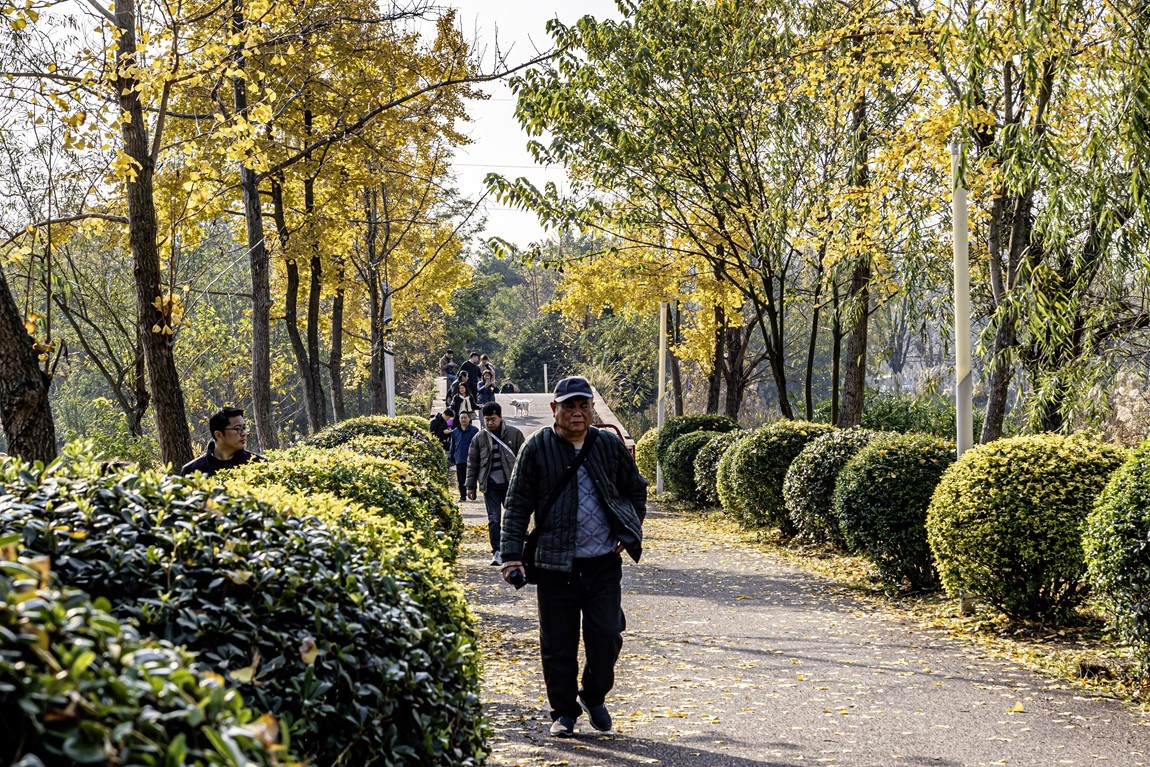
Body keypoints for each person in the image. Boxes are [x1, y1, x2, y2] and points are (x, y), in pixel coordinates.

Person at [500, 376, 647, 738]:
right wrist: (511, 557)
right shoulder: (536, 448)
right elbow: (518, 504)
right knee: (558, 644)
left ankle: (593, 695)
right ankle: (564, 711)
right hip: (554, 565)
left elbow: (635, 491)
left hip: (602, 563)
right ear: (555, 410)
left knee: (607, 636)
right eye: (569, 406)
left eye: (583, 405)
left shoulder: (608, 445)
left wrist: (628, 532)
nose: (577, 413)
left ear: (591, 409)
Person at [466, 402, 526, 566]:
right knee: (494, 520)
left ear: (500, 417)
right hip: (490, 485)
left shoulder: (515, 434)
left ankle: (516, 550)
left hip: (511, 484)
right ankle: (497, 551)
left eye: (493, 419)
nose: (490, 423)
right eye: (487, 420)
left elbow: (527, 460)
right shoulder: (479, 438)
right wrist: (470, 486)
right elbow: (472, 462)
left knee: (513, 519)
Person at [179, 406, 265, 477]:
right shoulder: (192, 470)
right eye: (238, 429)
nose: (244, 433)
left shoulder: (258, 463)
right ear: (218, 435)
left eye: (244, 428)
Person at [447, 411, 479, 502]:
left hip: (472, 459)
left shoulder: (474, 431)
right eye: (462, 418)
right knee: (461, 479)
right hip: (460, 458)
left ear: (469, 419)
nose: (463, 419)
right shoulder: (455, 431)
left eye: (465, 417)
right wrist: (451, 457)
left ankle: (473, 494)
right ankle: (463, 496)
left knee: (472, 477)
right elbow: (452, 446)